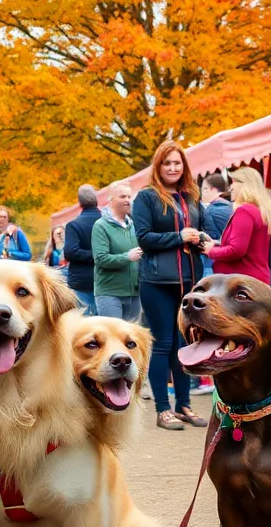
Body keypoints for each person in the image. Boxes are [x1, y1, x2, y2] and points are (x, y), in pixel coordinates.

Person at [132, 141, 210, 431]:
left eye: (177, 163)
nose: (173, 168)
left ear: (184, 167)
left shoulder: (191, 196)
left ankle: (184, 404)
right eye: (167, 163)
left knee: (186, 344)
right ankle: (163, 409)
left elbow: (201, 230)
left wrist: (202, 238)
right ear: (158, 166)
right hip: (157, 281)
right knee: (164, 344)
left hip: (190, 282)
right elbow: (144, 238)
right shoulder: (147, 197)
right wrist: (180, 236)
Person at [203, 167, 271, 283]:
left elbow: (236, 250)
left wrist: (211, 251)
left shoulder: (244, 211)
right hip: (255, 279)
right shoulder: (260, 211)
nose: (231, 187)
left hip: (241, 282)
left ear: (244, 186)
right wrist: (216, 244)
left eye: (234, 183)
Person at [91, 181, 142, 321]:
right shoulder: (101, 226)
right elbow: (100, 259)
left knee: (131, 338)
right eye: (122, 197)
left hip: (134, 294)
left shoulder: (133, 225)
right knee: (113, 337)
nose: (127, 200)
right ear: (111, 200)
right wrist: (127, 257)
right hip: (110, 293)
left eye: (129, 197)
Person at [65, 185, 103, 314]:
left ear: (79, 202)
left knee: (85, 322)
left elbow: (70, 252)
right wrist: (100, 255)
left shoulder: (74, 225)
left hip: (81, 281)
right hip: (106, 277)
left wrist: (95, 255)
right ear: (96, 199)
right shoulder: (107, 222)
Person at [200, 173, 233, 277]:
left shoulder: (210, 211)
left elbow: (210, 238)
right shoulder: (232, 207)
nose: (202, 194)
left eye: (204, 189)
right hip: (231, 263)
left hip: (214, 265)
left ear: (212, 190)